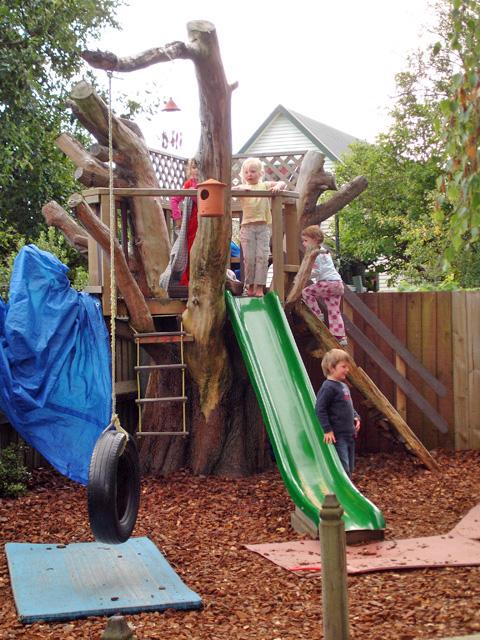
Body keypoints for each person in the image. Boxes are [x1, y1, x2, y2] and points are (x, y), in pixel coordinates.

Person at [232, 157, 287, 297]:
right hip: (247, 228)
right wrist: (241, 188)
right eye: (246, 172)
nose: (249, 174)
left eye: (253, 171)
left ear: (260, 173)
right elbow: (231, 190)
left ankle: (260, 287)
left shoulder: (264, 186)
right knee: (249, 258)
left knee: (262, 257)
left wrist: (277, 187)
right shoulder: (243, 187)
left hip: (262, 228)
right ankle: (250, 286)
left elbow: (282, 183)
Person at [315, 348, 361, 477]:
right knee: (343, 467)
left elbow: (348, 406)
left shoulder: (343, 386)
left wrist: (356, 416)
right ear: (331, 367)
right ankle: (336, 494)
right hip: (338, 436)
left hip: (350, 434)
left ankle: (347, 493)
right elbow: (320, 408)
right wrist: (327, 430)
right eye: (344, 366)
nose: (347, 370)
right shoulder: (328, 387)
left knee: (350, 468)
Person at [301, 225, 347, 345]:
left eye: (306, 241)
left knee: (306, 292)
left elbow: (317, 271)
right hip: (338, 284)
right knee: (334, 310)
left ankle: (317, 314)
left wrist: (305, 276)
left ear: (315, 240)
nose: (304, 244)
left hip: (328, 283)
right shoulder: (325, 252)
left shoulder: (316, 253)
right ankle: (340, 336)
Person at [170, 158, 199, 285]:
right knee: (191, 248)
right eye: (193, 167)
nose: (196, 170)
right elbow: (174, 199)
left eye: (199, 167)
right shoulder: (189, 184)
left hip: (208, 222)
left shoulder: (209, 183)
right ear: (189, 170)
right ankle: (190, 277)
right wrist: (178, 218)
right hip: (193, 222)